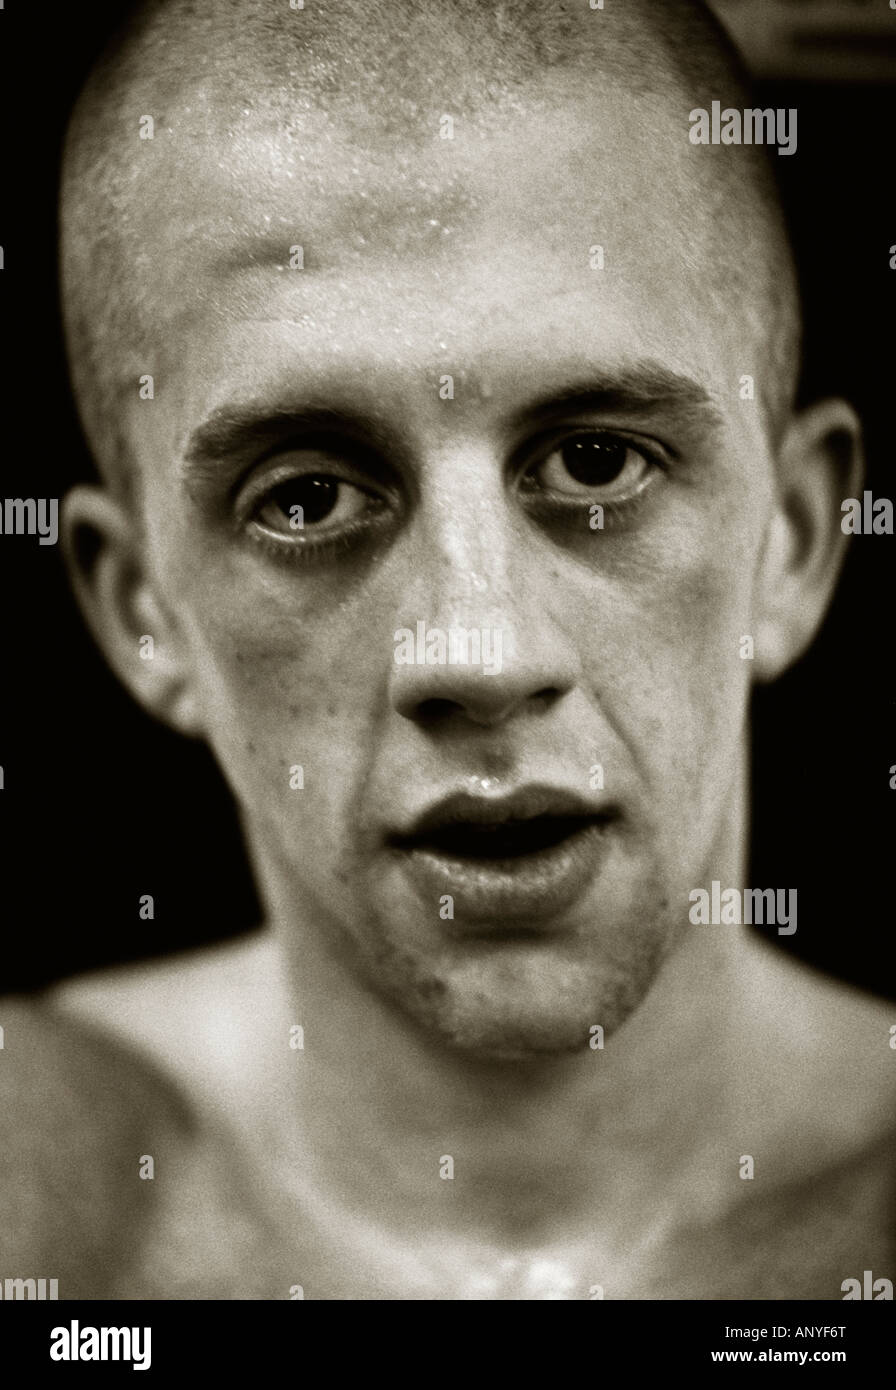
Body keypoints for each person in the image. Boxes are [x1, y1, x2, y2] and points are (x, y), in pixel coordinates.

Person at [1, 0, 893, 1300]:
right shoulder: (43, 1201)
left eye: (598, 461)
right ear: (141, 610)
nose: (478, 653)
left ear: (795, 539)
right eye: (305, 497)